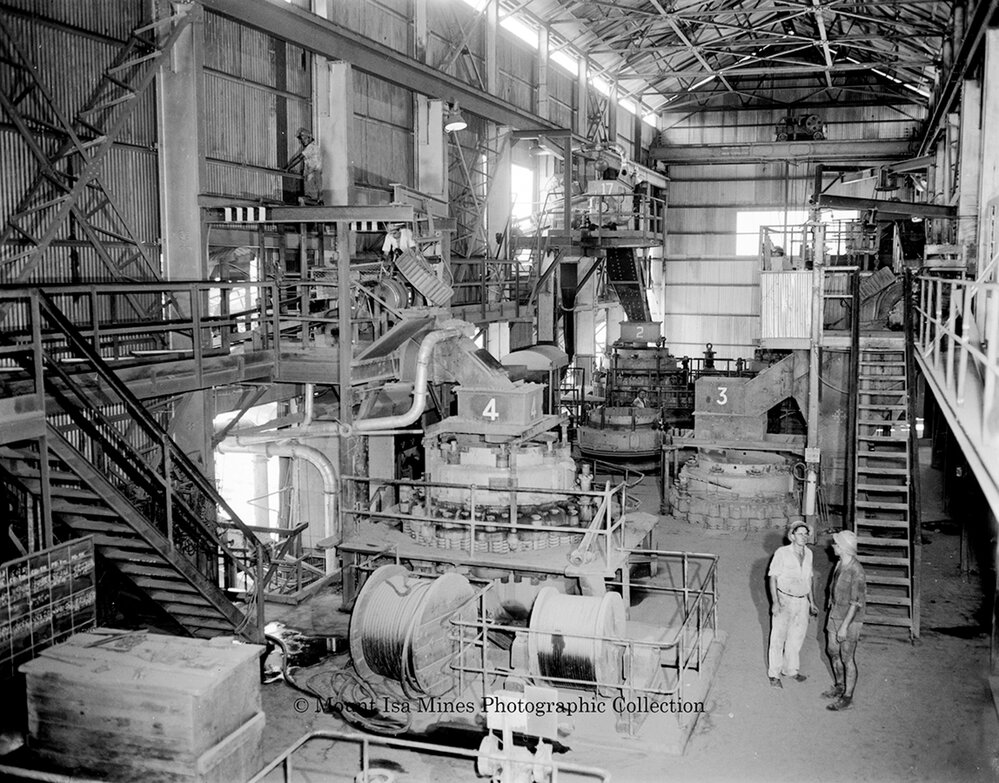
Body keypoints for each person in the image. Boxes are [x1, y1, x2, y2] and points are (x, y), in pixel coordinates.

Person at [767, 518, 817, 688]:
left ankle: (791, 670)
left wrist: (812, 602)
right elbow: (773, 578)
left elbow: (809, 579)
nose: (803, 537)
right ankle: (774, 674)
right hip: (784, 599)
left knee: (796, 638)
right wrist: (775, 602)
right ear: (792, 536)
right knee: (778, 638)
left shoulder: (809, 553)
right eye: (799, 534)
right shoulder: (782, 553)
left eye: (806, 534)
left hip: (802, 601)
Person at [824, 529, 866, 711]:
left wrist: (844, 627)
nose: (833, 546)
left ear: (843, 548)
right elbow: (834, 584)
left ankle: (848, 698)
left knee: (847, 657)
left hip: (850, 619)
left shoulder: (857, 571)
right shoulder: (841, 562)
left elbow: (855, 604)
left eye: (836, 544)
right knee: (832, 650)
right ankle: (840, 685)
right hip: (835, 613)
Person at [286, 127, 322, 203]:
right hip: (312, 174)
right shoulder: (313, 147)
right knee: (313, 198)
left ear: (309, 138)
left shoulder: (311, 147)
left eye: (303, 139)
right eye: (301, 140)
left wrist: (288, 168)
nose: (302, 142)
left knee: (307, 199)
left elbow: (299, 158)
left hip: (312, 175)